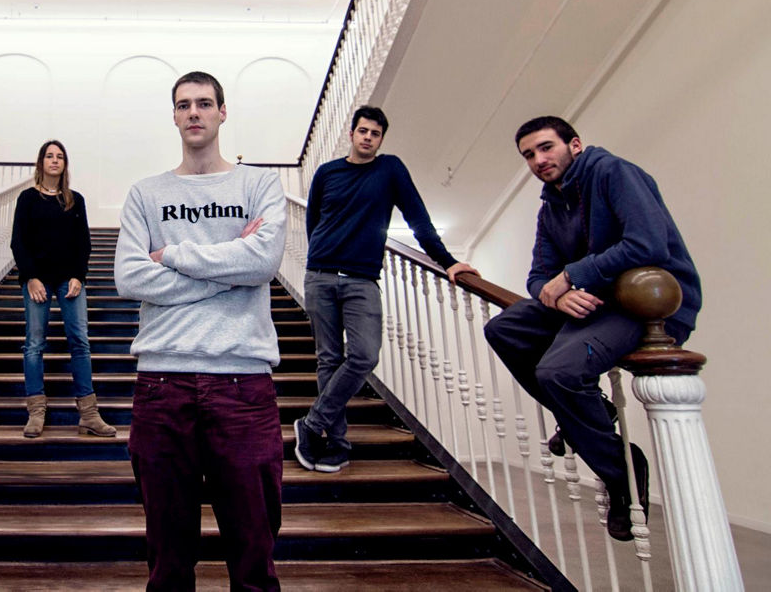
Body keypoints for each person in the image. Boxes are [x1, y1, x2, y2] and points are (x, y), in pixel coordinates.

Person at [484, 116, 701, 541]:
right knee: (504, 328)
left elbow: (647, 243)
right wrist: (558, 295)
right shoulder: (551, 206)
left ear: (575, 145)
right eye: (528, 155)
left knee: (558, 372)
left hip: (644, 304)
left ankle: (621, 474)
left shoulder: (612, 172)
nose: (538, 160)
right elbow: (538, 277)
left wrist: (571, 275)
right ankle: (597, 413)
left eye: (546, 147)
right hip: (595, 301)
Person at [115, 71, 287, 591]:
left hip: (243, 384)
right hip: (161, 384)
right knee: (168, 559)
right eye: (184, 104)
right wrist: (230, 270)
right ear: (173, 116)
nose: (194, 112)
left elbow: (263, 262)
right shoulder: (146, 193)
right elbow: (130, 277)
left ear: (222, 112)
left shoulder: (258, 184)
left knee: (254, 554)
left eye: (205, 103)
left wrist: (172, 255)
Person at [294, 106, 476, 473]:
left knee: (363, 355)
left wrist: (448, 261)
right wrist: (324, 257)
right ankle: (337, 444)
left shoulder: (390, 169)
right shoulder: (327, 172)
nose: (367, 138)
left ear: (381, 139)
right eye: (362, 131)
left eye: (375, 134)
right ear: (351, 133)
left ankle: (312, 424)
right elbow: (314, 222)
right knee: (328, 359)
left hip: (362, 280)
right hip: (320, 277)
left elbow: (418, 218)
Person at [10, 140, 116, 438]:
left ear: (65, 164)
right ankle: (36, 412)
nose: (54, 160)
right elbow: (19, 241)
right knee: (34, 344)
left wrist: (79, 276)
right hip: (37, 281)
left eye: (59, 156)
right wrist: (30, 277)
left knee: (80, 341)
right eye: (49, 156)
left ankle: (89, 414)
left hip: (69, 280)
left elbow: (83, 243)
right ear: (41, 162)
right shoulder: (27, 199)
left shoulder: (75, 200)